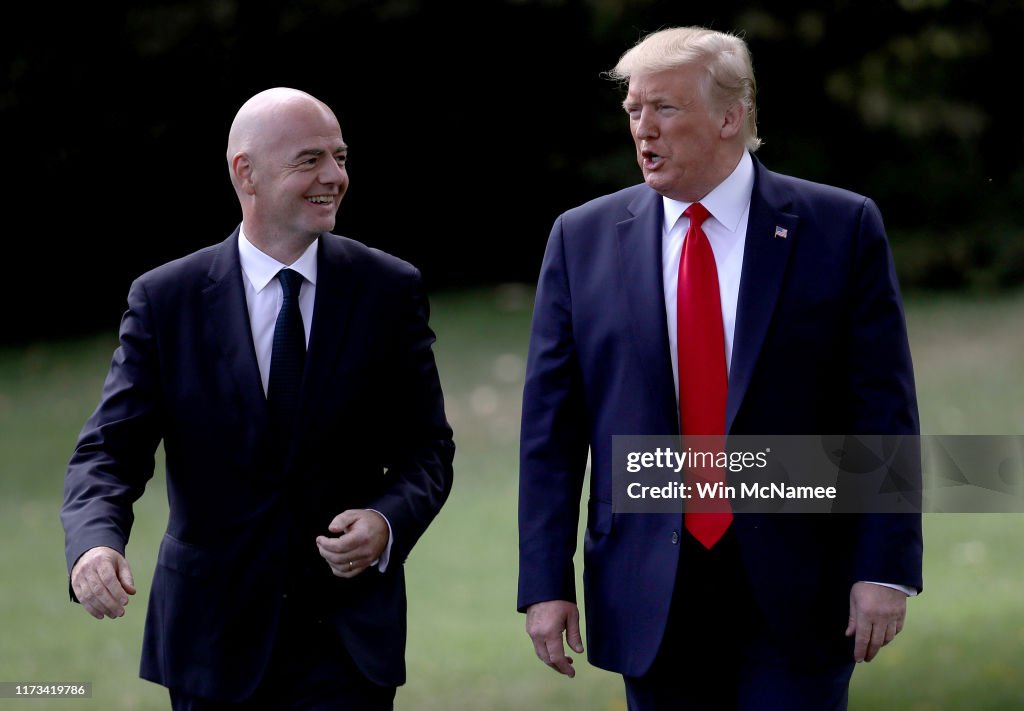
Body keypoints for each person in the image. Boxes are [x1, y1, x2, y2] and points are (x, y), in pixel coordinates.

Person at [518, 27, 921, 710]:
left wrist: (884, 566)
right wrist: (545, 581)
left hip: (801, 581)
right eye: (634, 111)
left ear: (731, 117)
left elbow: (882, 407)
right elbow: (552, 432)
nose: (643, 128)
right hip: (647, 582)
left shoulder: (839, 226)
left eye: (665, 109)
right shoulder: (580, 237)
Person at [61, 87, 455, 710]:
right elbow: (109, 452)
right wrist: (94, 543)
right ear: (245, 172)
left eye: (340, 156)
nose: (335, 176)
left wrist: (386, 521)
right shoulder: (165, 300)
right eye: (310, 160)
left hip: (348, 646)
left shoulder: (389, 289)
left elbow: (427, 449)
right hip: (210, 643)